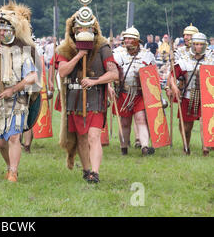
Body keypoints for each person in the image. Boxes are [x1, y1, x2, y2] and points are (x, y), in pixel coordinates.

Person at [0, 1, 39, 182]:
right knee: (2, 142)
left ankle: (13, 171)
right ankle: (8, 165)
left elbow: (32, 77)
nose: (2, 33)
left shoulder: (23, 52)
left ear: (13, 31)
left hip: (17, 101)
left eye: (5, 30)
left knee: (13, 137)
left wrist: (14, 89)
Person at [57, 11, 119, 183]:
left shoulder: (103, 48)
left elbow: (114, 74)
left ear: (94, 30)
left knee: (93, 136)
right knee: (82, 138)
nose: (83, 32)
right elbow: (62, 71)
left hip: (95, 98)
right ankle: (86, 171)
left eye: (88, 29)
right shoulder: (66, 49)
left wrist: (96, 81)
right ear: (73, 31)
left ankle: (95, 172)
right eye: (79, 29)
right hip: (75, 99)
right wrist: (79, 55)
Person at [110, 27, 156, 156]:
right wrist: (110, 86)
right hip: (123, 93)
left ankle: (145, 147)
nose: (127, 41)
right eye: (126, 38)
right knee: (125, 122)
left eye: (130, 38)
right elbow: (110, 72)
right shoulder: (117, 54)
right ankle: (124, 147)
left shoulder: (147, 55)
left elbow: (153, 76)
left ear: (137, 40)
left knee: (141, 119)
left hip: (140, 93)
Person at [166, 32, 214, 156]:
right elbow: (172, 74)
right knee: (187, 128)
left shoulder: (211, 59)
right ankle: (186, 147)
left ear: (205, 45)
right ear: (192, 45)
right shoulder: (185, 60)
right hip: (188, 96)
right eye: (196, 44)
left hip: (206, 97)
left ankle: (205, 148)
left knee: (206, 122)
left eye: (200, 44)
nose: (198, 46)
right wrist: (174, 86)